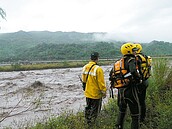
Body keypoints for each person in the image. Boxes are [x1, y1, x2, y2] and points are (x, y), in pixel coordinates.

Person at [109, 42, 142, 129]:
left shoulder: (119, 62)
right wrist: (139, 79)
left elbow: (111, 75)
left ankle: (118, 127)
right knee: (135, 114)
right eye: (134, 50)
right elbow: (133, 71)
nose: (135, 52)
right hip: (130, 90)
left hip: (121, 91)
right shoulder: (131, 60)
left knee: (121, 111)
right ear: (129, 51)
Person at [82, 52, 107, 126]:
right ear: (97, 58)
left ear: (90, 58)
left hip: (88, 93)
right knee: (95, 110)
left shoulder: (85, 67)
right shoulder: (98, 69)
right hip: (96, 94)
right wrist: (104, 92)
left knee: (88, 107)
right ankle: (92, 125)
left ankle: (87, 122)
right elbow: (101, 83)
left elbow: (84, 81)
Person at [135, 43, 152, 123]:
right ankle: (143, 118)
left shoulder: (136, 58)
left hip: (139, 82)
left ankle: (138, 119)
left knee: (137, 101)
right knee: (142, 101)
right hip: (145, 80)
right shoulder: (144, 56)